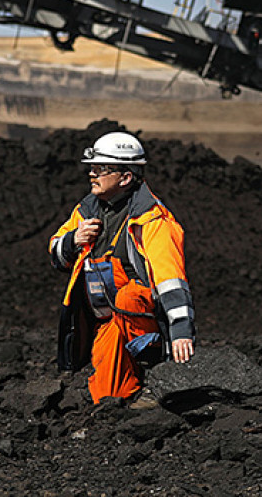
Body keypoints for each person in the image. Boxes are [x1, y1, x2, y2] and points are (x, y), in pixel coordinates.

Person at [48, 131, 195, 404]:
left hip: (143, 318)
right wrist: (73, 240)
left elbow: (171, 280)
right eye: (92, 167)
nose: (92, 174)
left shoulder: (152, 220)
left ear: (126, 178)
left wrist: (181, 333)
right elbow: (57, 256)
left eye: (101, 168)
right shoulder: (86, 210)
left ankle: (156, 373)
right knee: (108, 396)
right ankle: (134, 391)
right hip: (108, 321)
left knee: (129, 295)